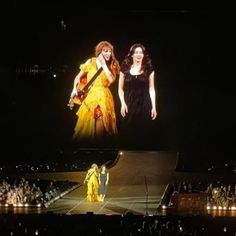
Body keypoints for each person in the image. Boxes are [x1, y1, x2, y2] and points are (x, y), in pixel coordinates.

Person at [69, 41, 120, 145]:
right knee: (89, 121)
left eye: (110, 51)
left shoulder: (112, 64)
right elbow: (78, 77)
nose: (108, 53)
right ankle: (87, 145)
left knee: (100, 117)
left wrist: (104, 65)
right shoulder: (91, 62)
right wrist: (74, 89)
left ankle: (99, 145)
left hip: (104, 95)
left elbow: (111, 80)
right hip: (90, 95)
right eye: (105, 51)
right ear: (99, 51)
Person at [118, 43, 157, 145]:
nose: (139, 54)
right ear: (132, 54)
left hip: (144, 103)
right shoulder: (125, 69)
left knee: (143, 132)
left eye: (141, 52)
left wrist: (154, 107)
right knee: (128, 133)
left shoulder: (149, 69)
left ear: (143, 55)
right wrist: (122, 103)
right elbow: (120, 89)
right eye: (136, 52)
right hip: (129, 103)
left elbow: (152, 89)